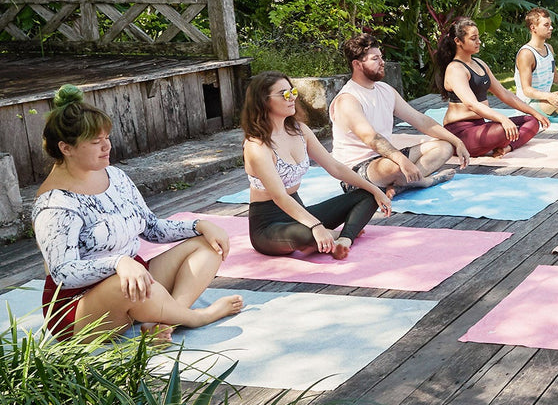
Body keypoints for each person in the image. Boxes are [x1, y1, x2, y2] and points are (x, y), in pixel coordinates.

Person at [32, 84, 243, 340]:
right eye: (95, 142)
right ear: (66, 148)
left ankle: (168, 321)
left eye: (106, 138)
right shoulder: (55, 204)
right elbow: (64, 272)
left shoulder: (115, 176)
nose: (106, 146)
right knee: (139, 288)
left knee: (209, 247)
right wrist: (119, 263)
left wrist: (200, 225)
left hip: (135, 279)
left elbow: (151, 227)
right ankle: (197, 316)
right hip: (80, 309)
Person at [242, 71, 391, 260]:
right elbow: (279, 197)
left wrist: (375, 190)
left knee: (367, 194)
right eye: (284, 94)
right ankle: (329, 235)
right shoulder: (257, 146)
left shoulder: (299, 131)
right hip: (269, 226)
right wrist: (316, 226)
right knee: (306, 234)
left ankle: (344, 239)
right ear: (263, 101)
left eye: (293, 92)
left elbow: (334, 167)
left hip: (299, 213)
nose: (292, 98)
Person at [330, 33, 470, 195]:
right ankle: (423, 181)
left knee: (445, 146)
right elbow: (372, 138)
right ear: (357, 64)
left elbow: (421, 120)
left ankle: (401, 184)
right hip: (358, 171)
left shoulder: (385, 90)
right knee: (394, 167)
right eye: (375, 59)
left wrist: (457, 141)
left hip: (386, 157)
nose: (382, 63)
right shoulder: (348, 99)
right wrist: (402, 160)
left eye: (381, 57)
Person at [435, 17, 550, 158]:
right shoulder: (455, 69)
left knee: (531, 121)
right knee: (504, 130)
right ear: (458, 41)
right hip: (460, 133)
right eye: (473, 38)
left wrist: (535, 113)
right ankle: (500, 142)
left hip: (481, 126)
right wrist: (502, 118)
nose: (479, 42)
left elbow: (504, 93)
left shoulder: (480, 64)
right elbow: (472, 104)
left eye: (478, 37)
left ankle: (507, 147)